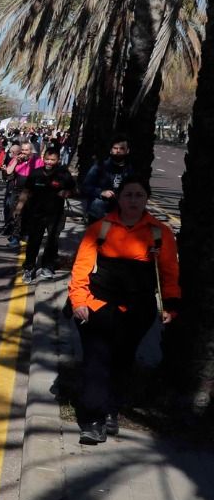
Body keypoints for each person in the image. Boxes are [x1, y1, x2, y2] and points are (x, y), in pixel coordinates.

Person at [67, 179, 179, 444]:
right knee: (97, 360)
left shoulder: (159, 233)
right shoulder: (100, 228)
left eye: (139, 195)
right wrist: (79, 301)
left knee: (122, 360)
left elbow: (169, 273)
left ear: (146, 199)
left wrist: (171, 304)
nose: (133, 200)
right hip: (98, 306)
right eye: (128, 194)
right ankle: (93, 419)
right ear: (119, 198)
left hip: (137, 311)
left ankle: (111, 411)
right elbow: (81, 268)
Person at [20, 146, 75, 282]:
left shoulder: (63, 174)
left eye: (52, 160)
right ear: (43, 158)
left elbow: (73, 189)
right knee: (34, 241)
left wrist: (66, 193)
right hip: (36, 214)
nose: (49, 162)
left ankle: (47, 266)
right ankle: (29, 268)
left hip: (56, 215)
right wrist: (18, 208)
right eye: (47, 159)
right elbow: (26, 191)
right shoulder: (36, 173)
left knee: (52, 241)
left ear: (58, 160)